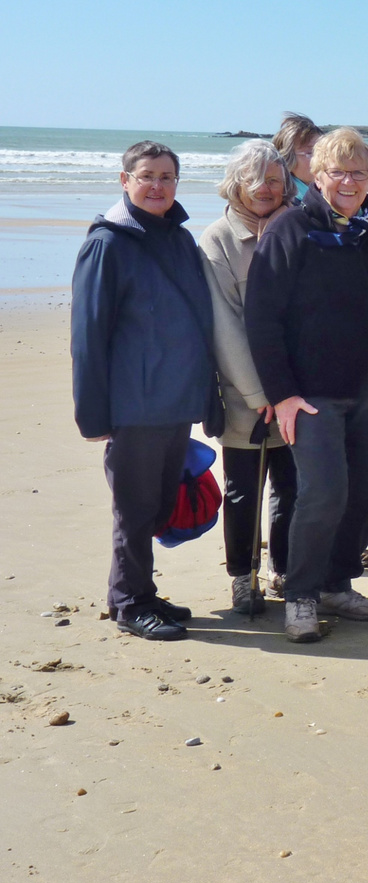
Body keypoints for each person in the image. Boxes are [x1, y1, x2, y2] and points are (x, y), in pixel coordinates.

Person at [245, 127, 368, 643]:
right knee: (323, 494)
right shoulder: (290, 229)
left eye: (360, 172)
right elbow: (262, 319)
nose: (350, 181)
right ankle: (302, 595)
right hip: (311, 397)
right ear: (316, 174)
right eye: (339, 171)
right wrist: (282, 393)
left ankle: (337, 581)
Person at [71, 141, 220, 641]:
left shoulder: (179, 240)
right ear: (125, 180)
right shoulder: (107, 244)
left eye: (167, 177)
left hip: (176, 401)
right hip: (132, 405)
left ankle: (141, 590)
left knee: (158, 506)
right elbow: (88, 335)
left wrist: (207, 397)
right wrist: (93, 416)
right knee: (133, 510)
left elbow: (200, 324)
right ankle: (130, 602)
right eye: (147, 176)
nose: (157, 186)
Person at [198, 140, 299, 614]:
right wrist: (263, 394)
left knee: (294, 485)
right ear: (235, 182)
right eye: (254, 179)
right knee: (243, 491)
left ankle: (285, 567)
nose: (265, 188)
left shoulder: (298, 228)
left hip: (299, 394)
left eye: (275, 180)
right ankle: (243, 576)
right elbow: (224, 326)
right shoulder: (216, 239)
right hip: (247, 397)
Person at [272, 113, 323, 198]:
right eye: (310, 152)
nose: (321, 159)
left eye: (324, 152)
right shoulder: (286, 201)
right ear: (286, 158)